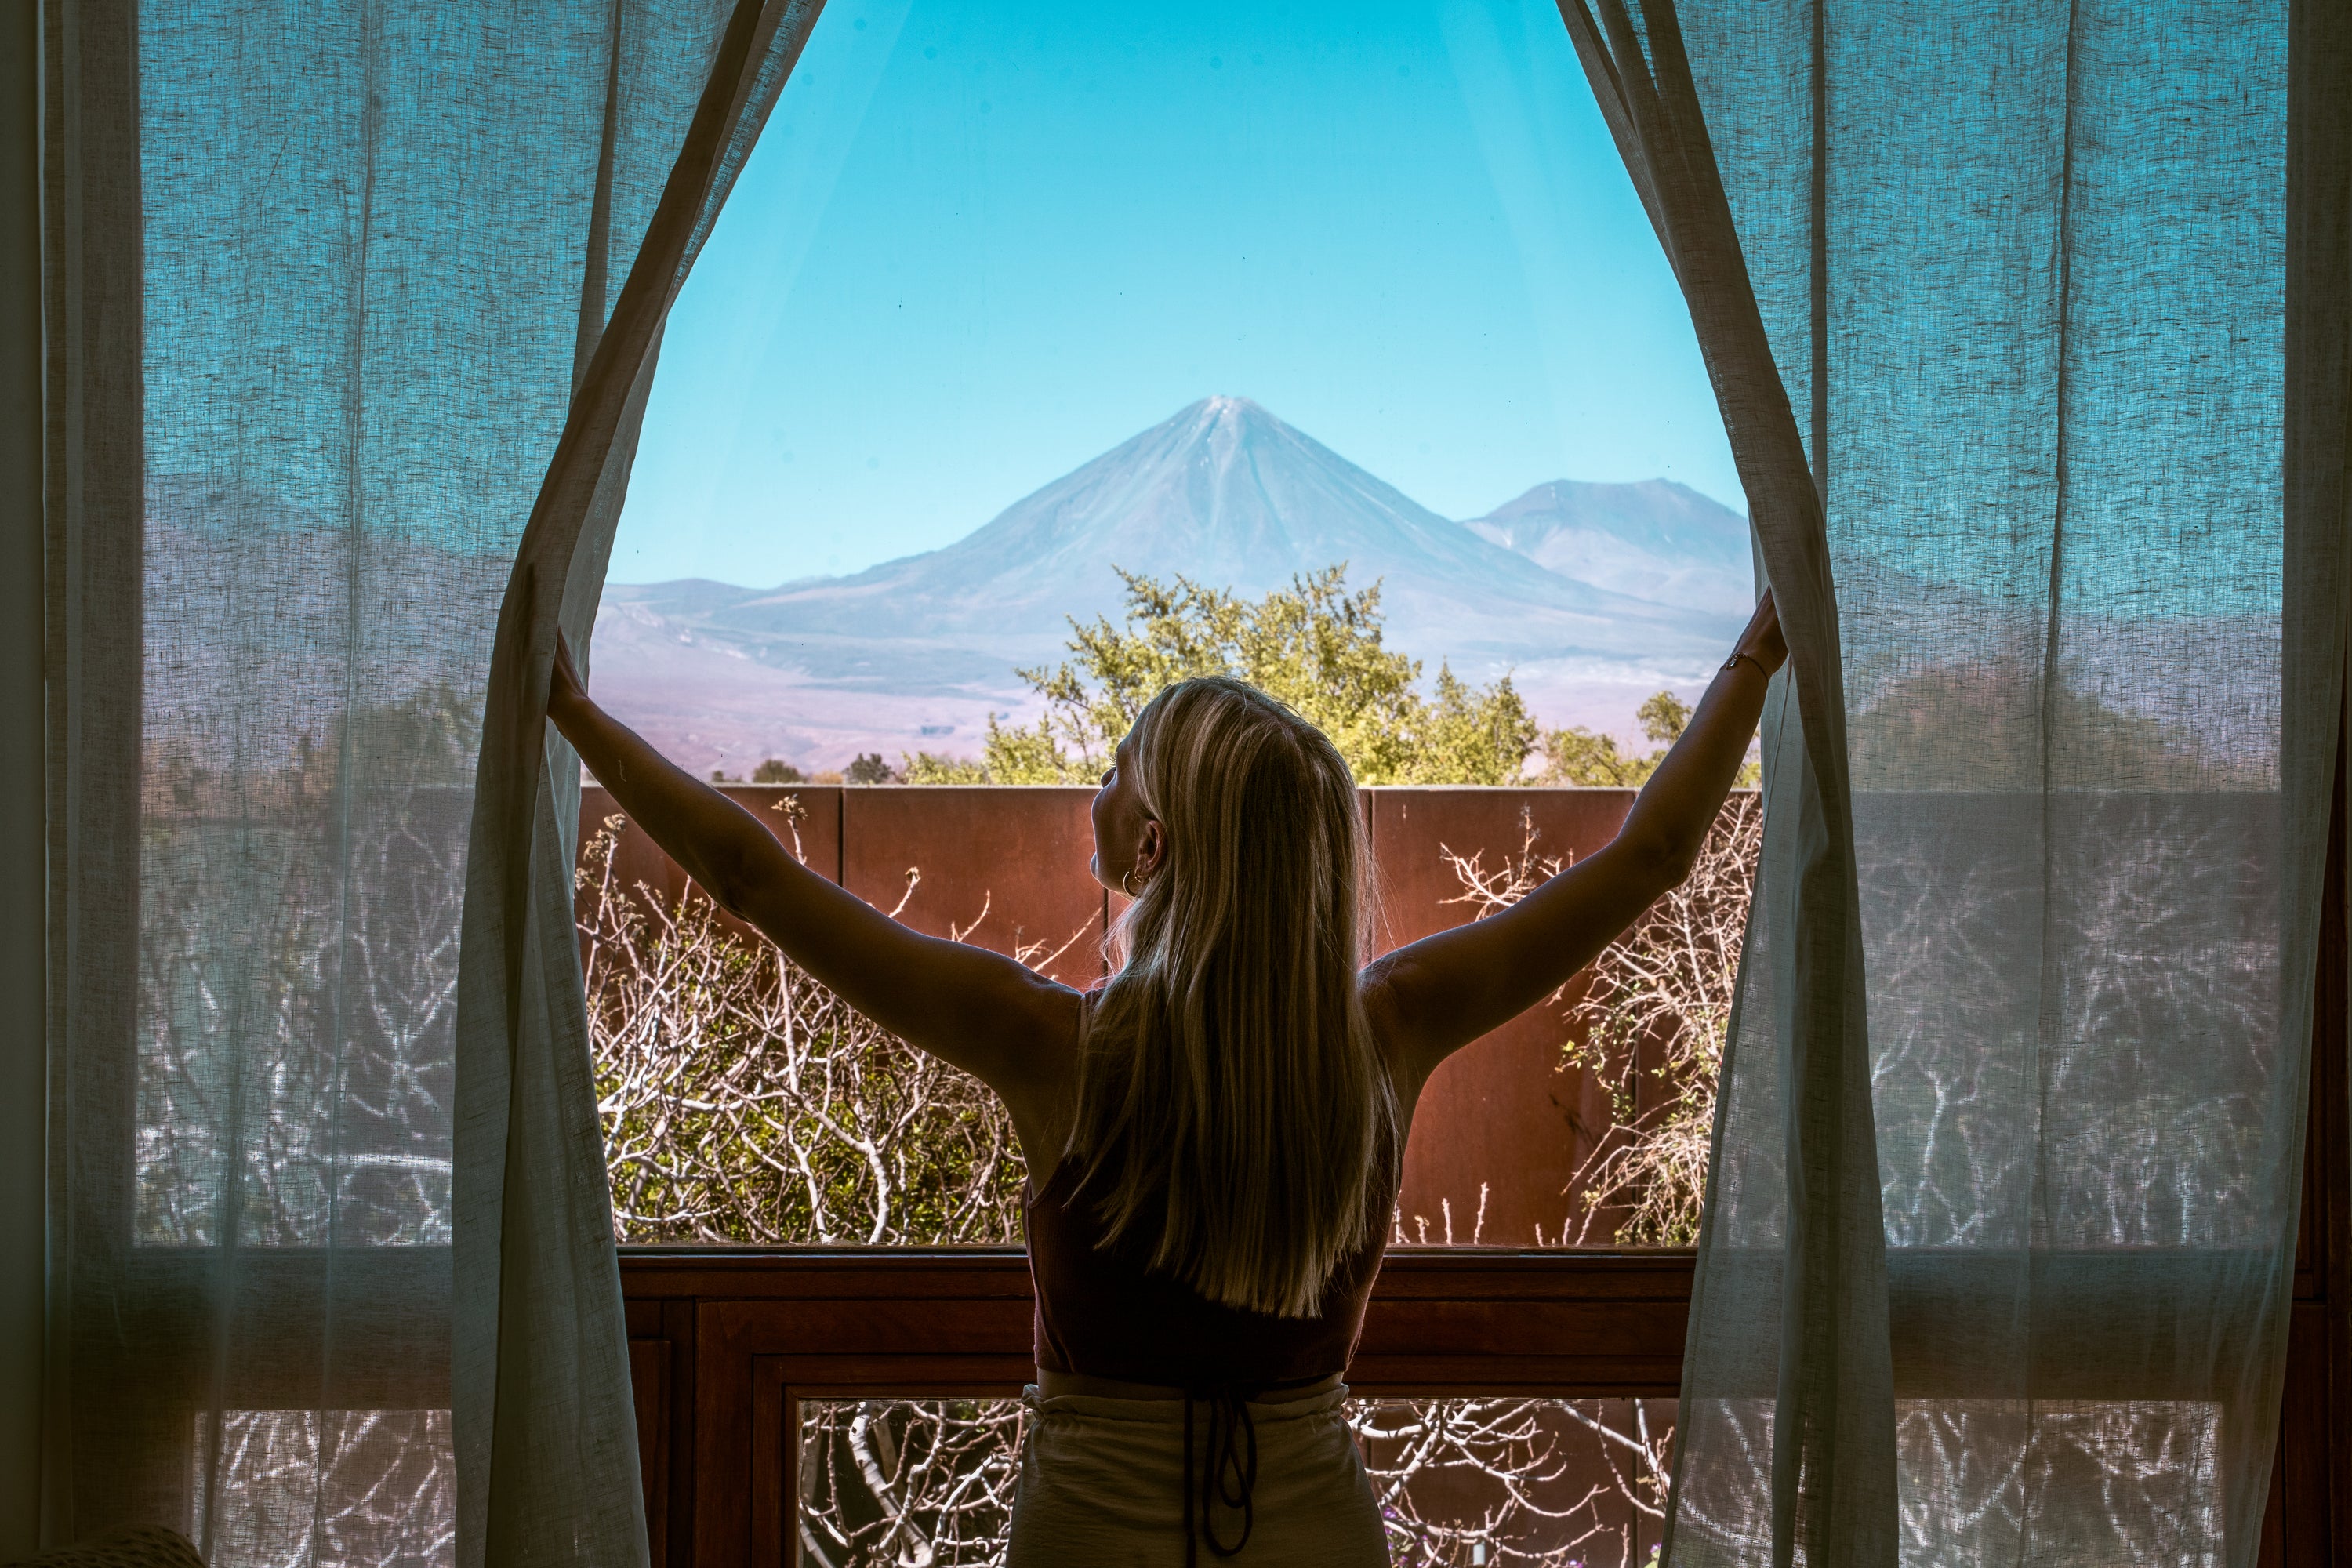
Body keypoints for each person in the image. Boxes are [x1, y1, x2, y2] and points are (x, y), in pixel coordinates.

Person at [545, 589, 1787, 1566]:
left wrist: (578, 719)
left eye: (1114, 770)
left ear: (1151, 844)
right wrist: (1756, 659)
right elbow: (1650, 860)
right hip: (1312, 1524)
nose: (1093, 786)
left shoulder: (1048, 1042)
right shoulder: (1387, 1034)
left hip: (1090, 1528)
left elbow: (754, 879)